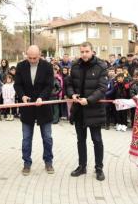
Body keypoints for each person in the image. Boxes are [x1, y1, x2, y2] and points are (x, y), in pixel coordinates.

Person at [65, 42, 107, 181]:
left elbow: (102, 89)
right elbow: (69, 84)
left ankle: (99, 168)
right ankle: (82, 166)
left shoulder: (101, 66)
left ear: (92, 51)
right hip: (79, 110)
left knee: (97, 140)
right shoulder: (75, 65)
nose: (84, 54)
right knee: (80, 140)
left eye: (86, 51)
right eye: (82, 51)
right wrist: (72, 95)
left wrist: (88, 100)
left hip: (94, 109)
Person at [14, 45, 55, 176]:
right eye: (29, 58)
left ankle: (48, 161)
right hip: (27, 108)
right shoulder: (20, 66)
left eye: (35, 58)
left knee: (47, 137)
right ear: (26, 55)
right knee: (26, 138)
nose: (32, 60)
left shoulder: (47, 66)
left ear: (40, 55)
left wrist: (41, 97)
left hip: (43, 106)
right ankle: (26, 163)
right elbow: (17, 84)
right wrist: (22, 96)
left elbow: (49, 85)